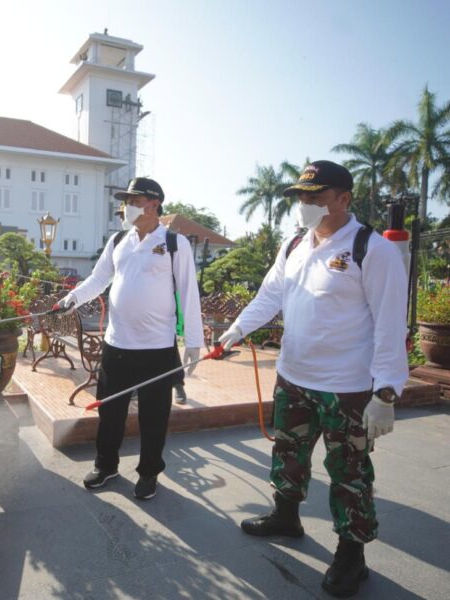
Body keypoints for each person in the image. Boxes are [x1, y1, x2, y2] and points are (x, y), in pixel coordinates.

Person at [219, 160, 408, 597]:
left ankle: (351, 553)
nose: (305, 204)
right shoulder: (295, 246)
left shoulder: (371, 249)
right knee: (288, 452)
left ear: (344, 199)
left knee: (349, 472)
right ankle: (285, 515)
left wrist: (386, 392)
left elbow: (389, 324)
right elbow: (269, 296)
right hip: (294, 378)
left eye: (315, 196)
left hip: (348, 387)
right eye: (301, 196)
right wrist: (237, 329)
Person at [57, 177, 203, 500]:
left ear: (153, 204)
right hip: (117, 344)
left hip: (157, 348)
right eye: (126, 201)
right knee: (110, 411)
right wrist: (72, 298)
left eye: (133, 200)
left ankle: (149, 473)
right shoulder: (119, 240)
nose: (126, 206)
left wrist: (193, 341)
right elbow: (98, 279)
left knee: (154, 416)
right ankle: (106, 465)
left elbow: (189, 293)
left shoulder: (175, 244)